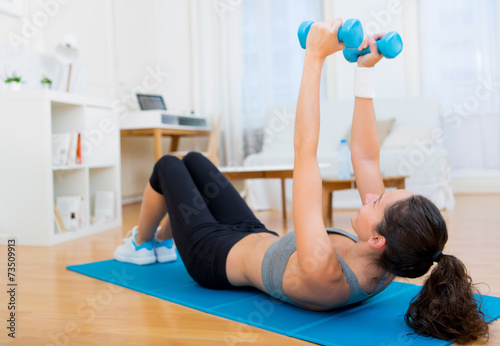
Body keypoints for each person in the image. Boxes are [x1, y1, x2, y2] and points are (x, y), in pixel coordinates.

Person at [114, 19, 489, 344]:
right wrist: (365, 71)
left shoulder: (323, 270)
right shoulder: (394, 256)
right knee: (195, 160)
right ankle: (163, 240)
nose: (370, 197)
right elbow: (365, 156)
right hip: (250, 232)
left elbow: (304, 154)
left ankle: (142, 243)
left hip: (211, 255)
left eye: (376, 203)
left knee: (168, 164)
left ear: (378, 238)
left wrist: (314, 57)